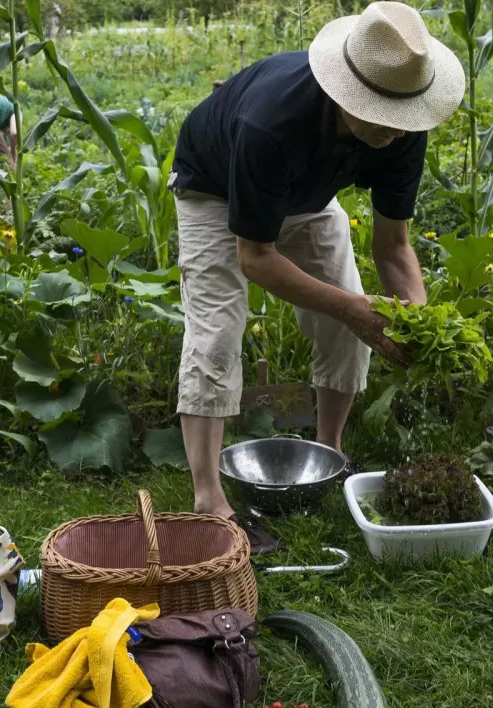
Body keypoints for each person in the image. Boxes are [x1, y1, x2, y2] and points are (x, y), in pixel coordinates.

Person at [168, 2, 465, 552]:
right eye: (375, 114)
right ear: (342, 91)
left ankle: (330, 452)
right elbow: (255, 256)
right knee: (217, 332)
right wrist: (353, 308)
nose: (391, 132)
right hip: (213, 191)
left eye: (400, 119)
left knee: (355, 321)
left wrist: (418, 319)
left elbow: (393, 246)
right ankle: (209, 498)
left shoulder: (402, 125)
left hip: (306, 199)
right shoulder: (272, 121)